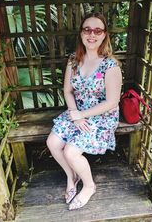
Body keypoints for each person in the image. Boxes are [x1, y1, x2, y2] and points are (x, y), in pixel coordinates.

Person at [46, 12, 122, 210]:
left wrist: (83, 115)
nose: (92, 34)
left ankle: (89, 186)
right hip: (77, 110)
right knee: (53, 142)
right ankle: (72, 176)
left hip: (102, 115)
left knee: (71, 151)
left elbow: (112, 102)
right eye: (87, 29)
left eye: (98, 30)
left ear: (104, 35)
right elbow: (67, 90)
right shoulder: (73, 60)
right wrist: (74, 113)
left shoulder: (110, 66)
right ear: (81, 33)